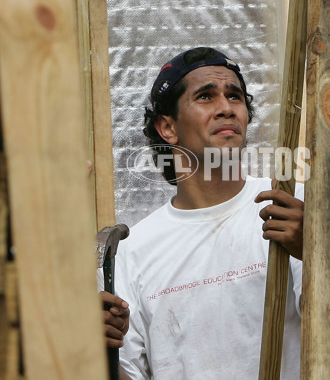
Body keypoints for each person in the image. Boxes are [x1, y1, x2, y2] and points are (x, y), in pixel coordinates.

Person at [102, 47, 304, 379]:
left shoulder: (287, 207)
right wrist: (100, 353)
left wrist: (315, 254)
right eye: (206, 97)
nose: (226, 108)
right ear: (168, 128)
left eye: (235, 96)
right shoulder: (132, 252)